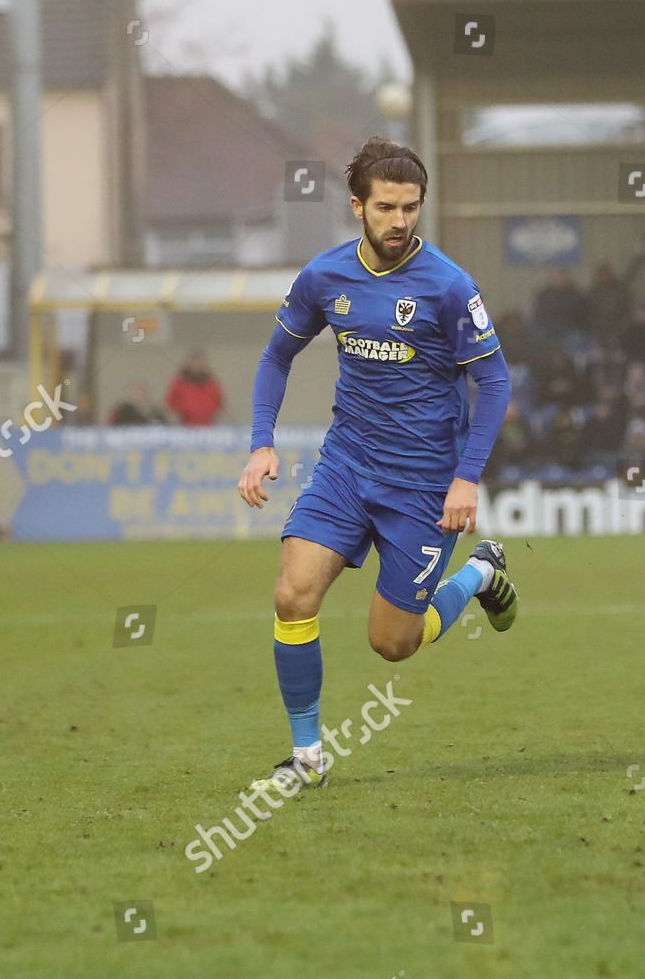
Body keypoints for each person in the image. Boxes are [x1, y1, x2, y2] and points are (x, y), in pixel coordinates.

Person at [237, 137, 516, 795]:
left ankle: (480, 575)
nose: (400, 222)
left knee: (393, 643)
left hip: (422, 484)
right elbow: (277, 355)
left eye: (411, 208)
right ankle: (307, 757)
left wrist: (466, 477)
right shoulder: (324, 277)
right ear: (357, 206)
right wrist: (261, 441)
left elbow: (496, 381)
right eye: (386, 208)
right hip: (347, 464)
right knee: (291, 593)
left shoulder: (449, 286)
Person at [166, 352, 225, 426]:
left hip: (208, 425)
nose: (196, 366)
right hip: (185, 425)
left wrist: (215, 416)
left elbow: (219, 402)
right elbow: (171, 402)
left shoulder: (211, 382)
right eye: (194, 363)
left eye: (199, 363)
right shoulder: (179, 382)